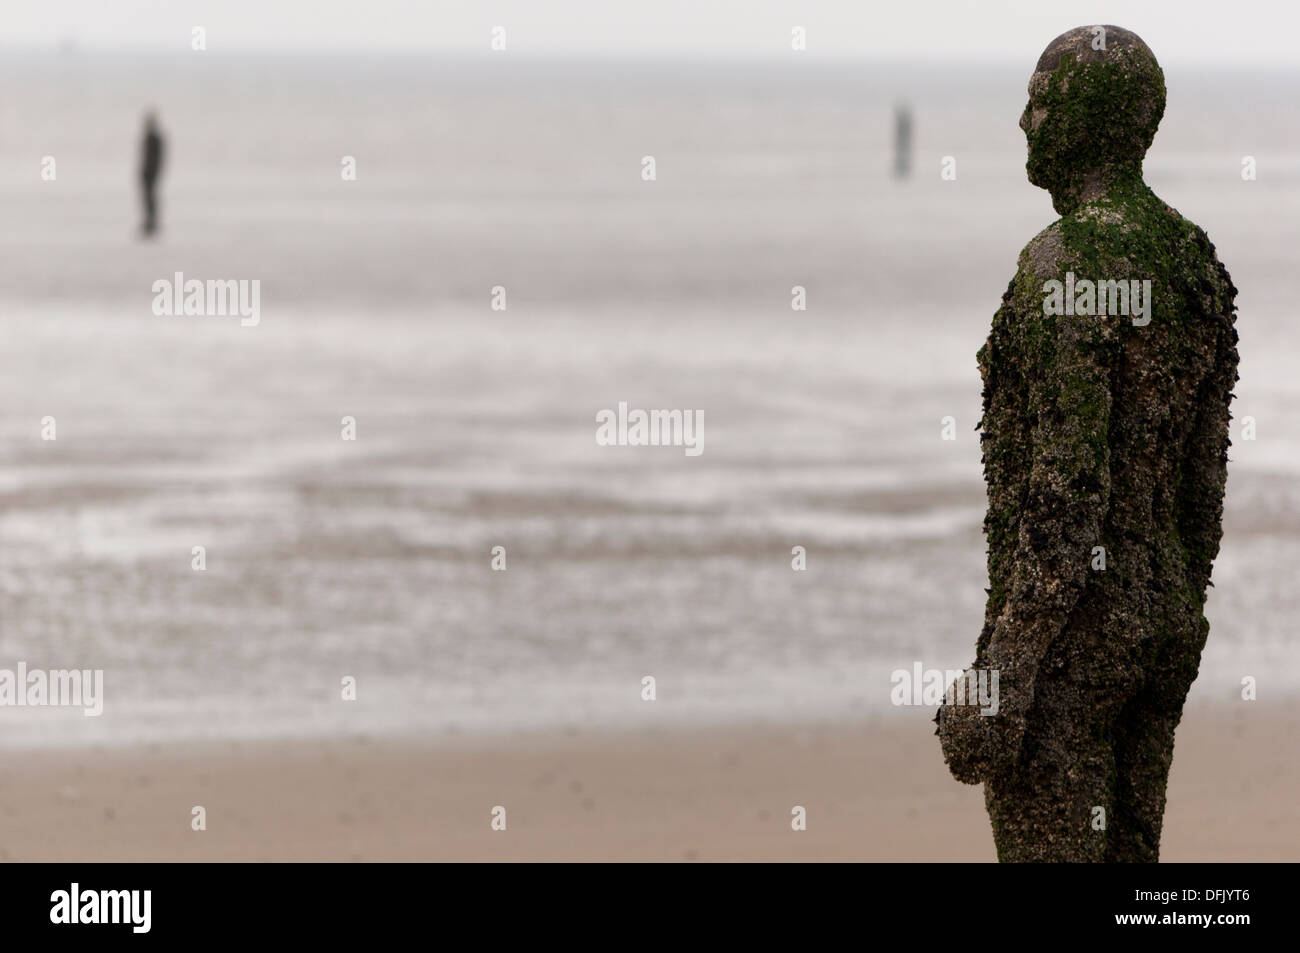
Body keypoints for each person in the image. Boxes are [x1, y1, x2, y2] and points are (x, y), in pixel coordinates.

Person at [936, 25, 1240, 862]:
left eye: (1040, 102)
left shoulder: (1065, 262)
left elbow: (1068, 488)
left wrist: (1005, 669)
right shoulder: (1192, 260)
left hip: (1074, 642)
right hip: (1163, 621)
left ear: (1086, 120)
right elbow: (1204, 480)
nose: (1024, 121)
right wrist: (1181, 613)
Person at [139, 112, 166, 237]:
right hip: (147, 171)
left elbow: (157, 157)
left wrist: (154, 170)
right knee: (147, 197)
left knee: (151, 197)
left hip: (152, 171)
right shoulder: (149, 137)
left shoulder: (154, 138)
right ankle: (149, 221)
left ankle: (152, 222)